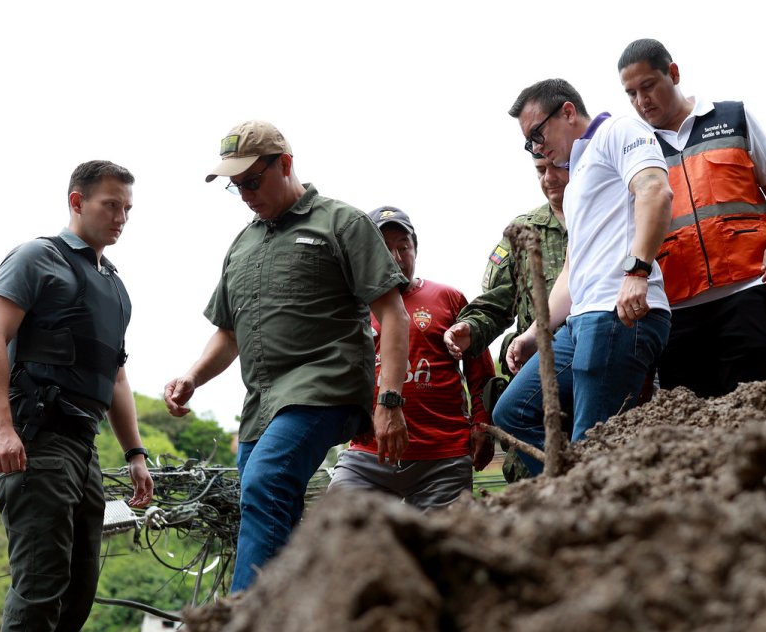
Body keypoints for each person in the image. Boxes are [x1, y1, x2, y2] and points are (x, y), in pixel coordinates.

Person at [164, 120, 410, 592]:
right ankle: (294, 618)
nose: (247, 195)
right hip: (262, 405)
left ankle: (242, 622)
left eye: (253, 181)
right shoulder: (243, 244)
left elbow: (393, 314)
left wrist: (390, 401)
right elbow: (228, 334)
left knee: (266, 481)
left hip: (325, 384)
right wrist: (193, 377)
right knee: (268, 504)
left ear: (286, 165)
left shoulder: (342, 223)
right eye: (237, 188)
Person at [0, 160, 154, 632]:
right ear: (76, 201)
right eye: (110, 205)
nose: (121, 217)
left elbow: (116, 377)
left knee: (78, 590)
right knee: (39, 586)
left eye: (127, 208)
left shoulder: (116, 288)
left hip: (84, 447)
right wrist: (0, 426)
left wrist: (136, 453)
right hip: (37, 440)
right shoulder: (38, 258)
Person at [492, 78, 673, 476]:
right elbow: (574, 269)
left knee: (590, 441)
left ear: (568, 112)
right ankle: (575, 492)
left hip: (618, 314)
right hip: (580, 322)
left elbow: (655, 190)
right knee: (513, 413)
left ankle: (588, 509)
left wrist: (638, 269)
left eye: (537, 134)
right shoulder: (576, 180)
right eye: (529, 143)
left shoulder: (617, 131)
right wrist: (535, 331)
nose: (537, 148)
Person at [617, 38, 766, 399]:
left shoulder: (734, 117)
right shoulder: (637, 148)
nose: (642, 101)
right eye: (631, 94)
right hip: (676, 307)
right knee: (690, 416)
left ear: (673, 73)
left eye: (648, 86)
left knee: (748, 404)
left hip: (747, 290)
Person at [329, 207, 496, 507]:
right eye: (384, 247)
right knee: (336, 531)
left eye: (403, 247)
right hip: (368, 455)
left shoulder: (449, 298)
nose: (395, 256)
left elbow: (480, 370)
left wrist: (481, 424)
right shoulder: (352, 306)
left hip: (442, 456)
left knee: (442, 550)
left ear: (415, 250)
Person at [444, 156, 569, 482]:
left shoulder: (604, 214)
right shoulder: (523, 231)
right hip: (536, 375)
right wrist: (470, 328)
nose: (549, 178)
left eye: (559, 168)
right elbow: (497, 303)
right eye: (540, 170)